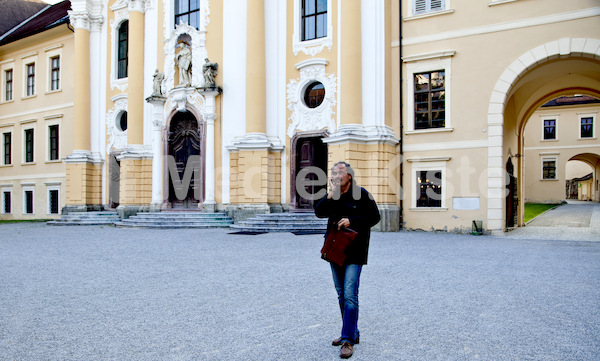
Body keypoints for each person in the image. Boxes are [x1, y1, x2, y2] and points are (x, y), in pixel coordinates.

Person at [314, 161, 380, 359]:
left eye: (340, 172)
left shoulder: (362, 194)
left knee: (351, 294)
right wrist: (330, 193)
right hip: (336, 249)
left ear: (349, 176)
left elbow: (375, 217)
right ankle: (351, 332)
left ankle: (347, 340)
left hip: (355, 250)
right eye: (333, 172)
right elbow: (319, 212)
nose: (336, 175)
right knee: (341, 293)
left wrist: (353, 221)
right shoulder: (333, 194)